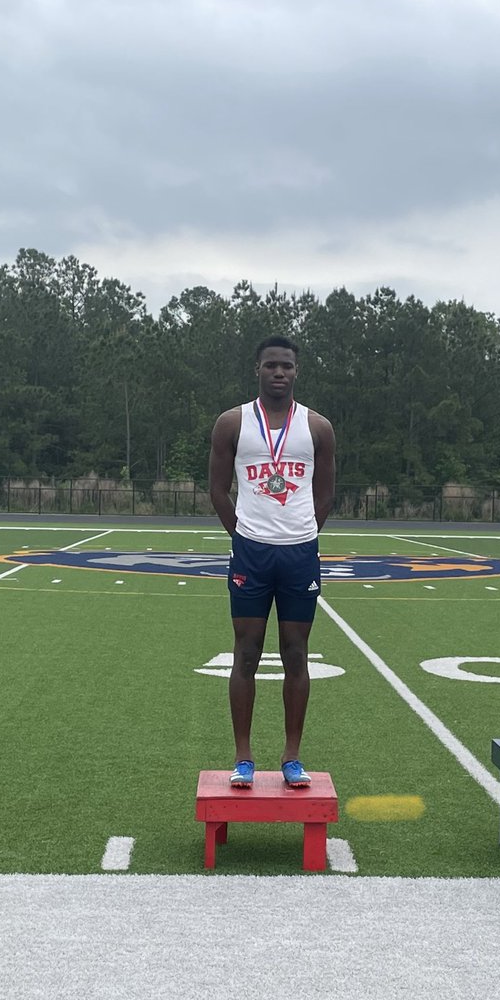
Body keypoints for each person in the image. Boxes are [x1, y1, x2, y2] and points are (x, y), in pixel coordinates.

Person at [208, 335, 336, 787]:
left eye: (286, 366)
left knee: (296, 655)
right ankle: (243, 757)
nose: (278, 372)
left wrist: (304, 531)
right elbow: (218, 490)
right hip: (251, 552)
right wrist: (244, 533)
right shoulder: (232, 423)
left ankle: (291, 756)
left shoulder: (317, 427)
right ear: (257, 370)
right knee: (245, 653)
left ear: (296, 371)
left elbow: (325, 493)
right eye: (270, 366)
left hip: (300, 553)